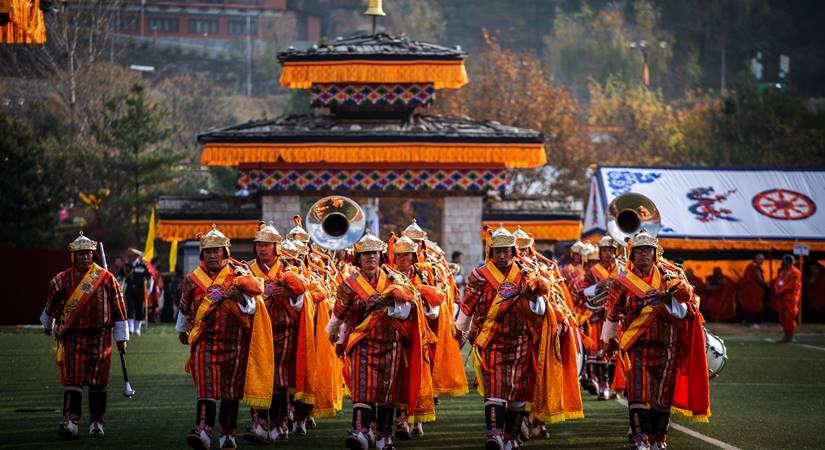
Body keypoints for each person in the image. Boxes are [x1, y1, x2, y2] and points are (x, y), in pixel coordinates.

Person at [602, 230, 709, 450]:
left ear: (655, 253)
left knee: (662, 395)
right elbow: (611, 314)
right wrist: (608, 341)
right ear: (632, 255)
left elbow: (690, 310)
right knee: (638, 393)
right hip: (636, 347)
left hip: (668, 347)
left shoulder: (672, 276)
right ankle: (641, 438)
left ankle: (659, 439)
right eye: (639, 251)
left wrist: (670, 301)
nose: (643, 255)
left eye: (647, 250)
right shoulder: (622, 281)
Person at [176, 225, 273, 450]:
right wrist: (182, 330)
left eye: (217, 250)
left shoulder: (240, 275)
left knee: (231, 392)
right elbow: (184, 306)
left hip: (235, 342)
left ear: (225, 253)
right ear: (202, 254)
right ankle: (203, 430)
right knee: (206, 389)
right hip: (204, 342)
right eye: (208, 251)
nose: (212, 255)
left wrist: (239, 297)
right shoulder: (193, 279)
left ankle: (228, 434)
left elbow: (252, 308)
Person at [326, 231, 423, 450]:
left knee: (388, 392)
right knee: (362, 389)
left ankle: (383, 436)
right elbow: (339, 314)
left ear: (381, 256)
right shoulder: (349, 284)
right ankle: (360, 430)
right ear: (357, 258)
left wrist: (387, 304)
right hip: (362, 341)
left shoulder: (395, 279)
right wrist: (335, 335)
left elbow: (409, 310)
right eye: (366, 254)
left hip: (392, 342)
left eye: (374, 254)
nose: (371, 257)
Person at [455, 226, 550, 450]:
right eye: (497, 251)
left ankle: (511, 435)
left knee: (517, 391)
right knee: (495, 388)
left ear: (513, 251)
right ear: (491, 252)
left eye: (506, 250)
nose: (502, 255)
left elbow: (541, 309)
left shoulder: (528, 274)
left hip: (522, 340)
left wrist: (532, 296)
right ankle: (494, 434)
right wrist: (459, 330)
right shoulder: (480, 275)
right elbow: (468, 306)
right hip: (493, 340)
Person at [39, 232, 129, 439]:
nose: (85, 257)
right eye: (81, 254)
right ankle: (70, 421)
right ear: (74, 256)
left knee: (99, 384)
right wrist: (48, 324)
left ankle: (97, 422)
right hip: (73, 337)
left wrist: (121, 337)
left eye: (89, 253)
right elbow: (50, 304)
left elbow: (119, 308)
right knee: (73, 380)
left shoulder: (107, 279)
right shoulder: (61, 280)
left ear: (94, 255)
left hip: (101, 338)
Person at [243, 224, 313, 443]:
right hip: (254, 332)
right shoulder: (247, 270)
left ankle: (279, 423)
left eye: (267, 245)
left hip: (284, 331)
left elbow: (303, 302)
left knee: (280, 380)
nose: (262, 250)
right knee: (257, 376)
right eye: (259, 245)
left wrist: (292, 294)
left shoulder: (290, 268)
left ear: (277, 247)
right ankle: (259, 423)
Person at [117, 248, 150, 336]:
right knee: (130, 307)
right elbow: (120, 277)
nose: (132, 258)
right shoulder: (126, 266)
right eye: (130, 256)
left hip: (140, 290)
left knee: (140, 308)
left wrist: (149, 289)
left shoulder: (143, 266)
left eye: (134, 256)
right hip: (130, 289)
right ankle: (130, 328)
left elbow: (149, 277)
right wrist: (118, 287)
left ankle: (137, 329)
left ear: (137, 256)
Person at [771, 254, 802, 343]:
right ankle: (786, 335)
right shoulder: (783, 272)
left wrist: (780, 291)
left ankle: (790, 335)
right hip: (781, 298)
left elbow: (792, 285)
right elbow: (778, 282)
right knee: (782, 317)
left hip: (790, 299)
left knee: (789, 317)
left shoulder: (795, 272)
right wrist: (777, 290)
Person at [737, 254, 769, 326]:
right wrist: (767, 285)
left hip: (751, 289)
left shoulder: (751, 265)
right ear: (755, 259)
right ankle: (753, 322)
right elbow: (759, 279)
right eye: (760, 259)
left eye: (762, 259)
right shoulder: (754, 267)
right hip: (752, 290)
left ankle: (748, 321)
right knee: (754, 305)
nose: (762, 261)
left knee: (750, 305)